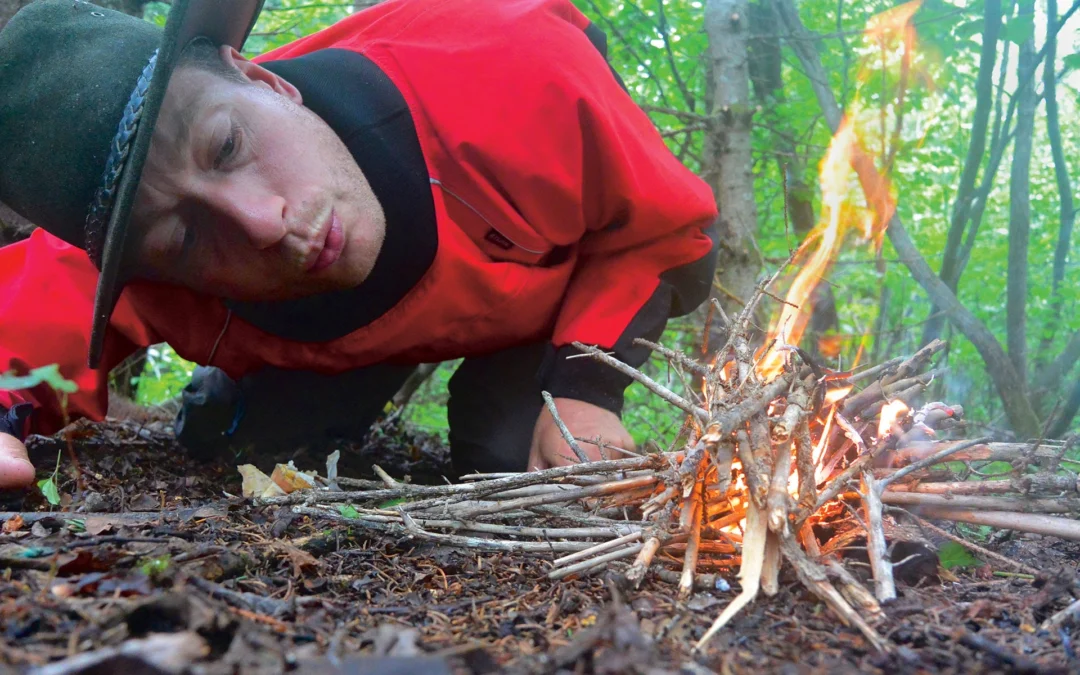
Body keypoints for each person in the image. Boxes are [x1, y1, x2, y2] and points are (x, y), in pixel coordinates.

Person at [0, 0, 718, 490]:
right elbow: (23, 315)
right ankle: (237, 391)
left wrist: (587, 388)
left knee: (516, 457)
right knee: (251, 448)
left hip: (543, 301)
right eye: (186, 233)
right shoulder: (144, 267)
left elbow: (660, 227)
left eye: (225, 146)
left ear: (263, 79)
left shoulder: (520, 74)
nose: (263, 223)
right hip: (333, 343)